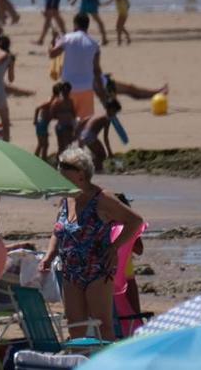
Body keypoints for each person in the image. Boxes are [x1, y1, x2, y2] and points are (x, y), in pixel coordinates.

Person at [41, 147, 144, 342]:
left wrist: (114, 247)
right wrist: (50, 254)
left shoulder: (102, 199)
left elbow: (135, 221)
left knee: (102, 326)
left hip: (97, 270)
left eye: (64, 171)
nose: (59, 174)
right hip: (71, 272)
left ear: (80, 173)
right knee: (75, 327)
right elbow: (58, 229)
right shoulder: (67, 198)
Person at [50, 13, 105, 119]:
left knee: (68, 121)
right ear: (87, 25)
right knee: (84, 122)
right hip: (86, 87)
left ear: (75, 24)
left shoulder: (67, 38)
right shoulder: (94, 44)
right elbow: (97, 70)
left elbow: (52, 54)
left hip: (68, 88)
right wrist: (101, 92)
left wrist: (53, 41)